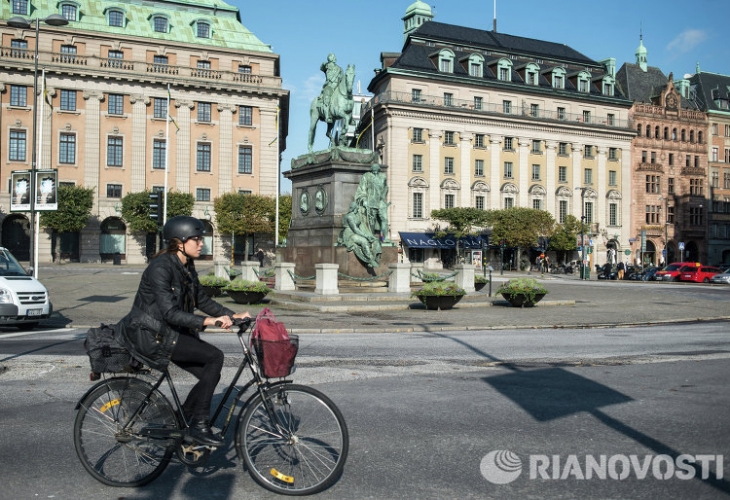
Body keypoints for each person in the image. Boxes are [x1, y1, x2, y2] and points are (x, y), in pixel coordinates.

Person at [117, 216, 250, 447]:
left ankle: (182, 423)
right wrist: (210, 321)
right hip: (151, 334)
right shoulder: (161, 267)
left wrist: (232, 315)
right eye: (196, 239)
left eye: (201, 239)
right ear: (179, 242)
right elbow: (169, 313)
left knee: (211, 372)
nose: (201, 244)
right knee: (214, 358)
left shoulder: (186, 265)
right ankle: (198, 425)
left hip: (169, 333)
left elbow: (200, 299)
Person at [355, 163, 391, 243]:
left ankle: (385, 238)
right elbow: (362, 188)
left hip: (381, 201)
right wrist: (364, 199)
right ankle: (370, 237)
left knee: (384, 219)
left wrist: (383, 196)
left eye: (376, 170)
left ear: (378, 169)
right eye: (373, 170)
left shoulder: (383, 176)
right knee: (371, 220)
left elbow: (386, 187)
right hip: (371, 201)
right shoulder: (366, 176)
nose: (374, 172)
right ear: (371, 169)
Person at [338, 202, 379, 268]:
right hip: (349, 235)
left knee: (371, 241)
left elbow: (361, 227)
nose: (358, 209)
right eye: (357, 208)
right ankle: (370, 259)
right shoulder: (349, 217)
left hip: (354, 234)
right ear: (355, 208)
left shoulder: (355, 215)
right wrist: (366, 236)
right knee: (364, 241)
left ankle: (372, 259)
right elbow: (355, 229)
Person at [320, 53, 343, 122]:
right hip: (329, 85)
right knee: (327, 98)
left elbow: (342, 78)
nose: (332, 57)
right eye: (331, 56)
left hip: (337, 86)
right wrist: (324, 64)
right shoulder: (326, 66)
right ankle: (327, 116)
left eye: (333, 56)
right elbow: (322, 68)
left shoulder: (339, 68)